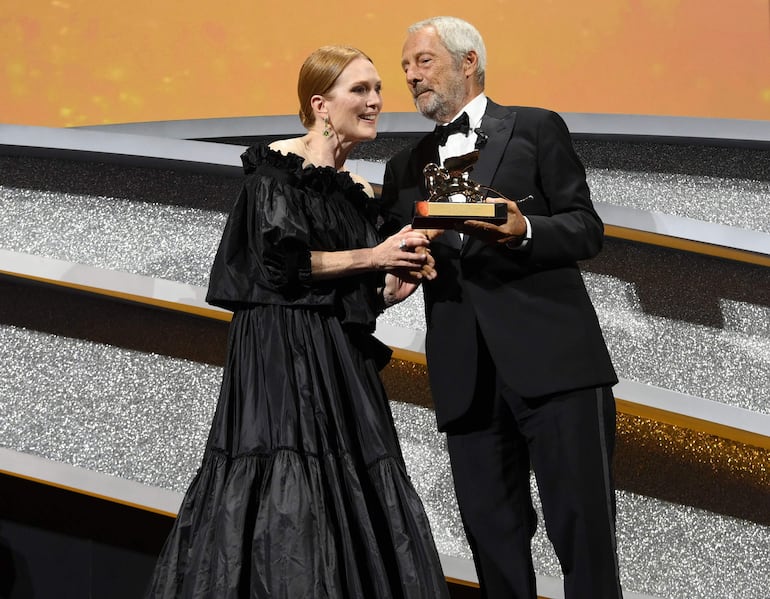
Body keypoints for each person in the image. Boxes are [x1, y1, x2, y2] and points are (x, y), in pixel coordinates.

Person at [145, 45, 450, 599]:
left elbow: (359, 283)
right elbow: (281, 265)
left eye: (378, 89)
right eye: (360, 90)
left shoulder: (358, 192)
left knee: (355, 481)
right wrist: (374, 257)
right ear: (321, 104)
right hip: (279, 352)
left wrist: (392, 283)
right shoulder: (276, 171)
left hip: (339, 357)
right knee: (282, 476)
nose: (377, 101)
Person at [380, 16, 623, 599]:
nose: (411, 76)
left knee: (583, 534)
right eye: (406, 66)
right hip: (465, 376)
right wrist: (396, 276)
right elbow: (394, 260)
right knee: (494, 544)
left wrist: (524, 230)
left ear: (469, 63)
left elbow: (586, 229)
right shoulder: (402, 169)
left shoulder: (536, 129)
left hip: (556, 365)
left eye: (423, 61)